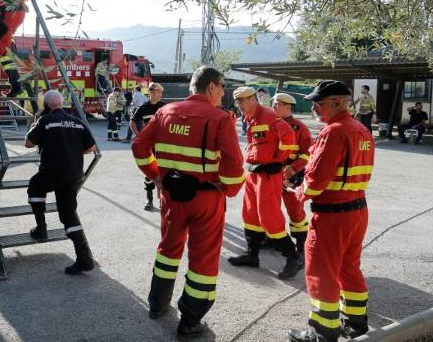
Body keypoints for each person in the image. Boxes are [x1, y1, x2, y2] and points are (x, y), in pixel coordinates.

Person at [131, 66, 245, 340]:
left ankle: (157, 304)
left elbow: (139, 147)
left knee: (168, 248)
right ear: (212, 86)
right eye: (223, 87)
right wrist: (229, 189)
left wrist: (156, 176)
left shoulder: (165, 112)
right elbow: (233, 165)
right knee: (203, 257)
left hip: (171, 196)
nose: (223, 93)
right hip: (206, 198)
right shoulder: (219, 118)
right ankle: (190, 321)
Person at [287, 80, 375, 342]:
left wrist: (297, 191)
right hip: (357, 211)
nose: (313, 108)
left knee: (322, 272)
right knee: (349, 268)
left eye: (318, 103)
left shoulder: (333, 132)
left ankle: (322, 332)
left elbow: (316, 180)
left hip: (332, 215)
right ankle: (356, 324)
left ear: (337, 102)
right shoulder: (361, 129)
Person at [227, 87, 303, 280]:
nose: (239, 105)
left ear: (253, 99)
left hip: (268, 174)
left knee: (269, 217)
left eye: (243, 101)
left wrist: (277, 159)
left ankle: (293, 256)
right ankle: (252, 255)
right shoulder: (250, 118)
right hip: (253, 172)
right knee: (250, 214)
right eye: (238, 101)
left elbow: (289, 138)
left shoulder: (269, 116)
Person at [24, 90, 97, 275]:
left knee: (35, 187)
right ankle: (85, 259)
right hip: (73, 175)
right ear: (62, 103)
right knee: (68, 214)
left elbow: (28, 143)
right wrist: (72, 150)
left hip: (52, 173)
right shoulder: (77, 122)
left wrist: (36, 121)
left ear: (46, 105)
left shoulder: (46, 120)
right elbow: (91, 148)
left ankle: (41, 229)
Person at [272, 92, 312, 253]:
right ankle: (272, 239)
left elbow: (308, 153)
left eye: (276, 104)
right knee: (270, 210)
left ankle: (301, 244)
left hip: (292, 176)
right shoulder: (269, 124)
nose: (272, 107)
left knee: (295, 211)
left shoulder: (299, 128)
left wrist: (294, 168)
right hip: (271, 175)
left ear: (288, 107)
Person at [127, 83, 165, 209]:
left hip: (162, 144)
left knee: (163, 171)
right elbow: (132, 122)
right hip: (149, 145)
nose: (161, 94)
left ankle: (162, 200)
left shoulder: (164, 107)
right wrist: (138, 136)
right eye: (159, 92)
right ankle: (149, 199)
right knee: (150, 172)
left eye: (161, 92)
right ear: (151, 92)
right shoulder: (143, 108)